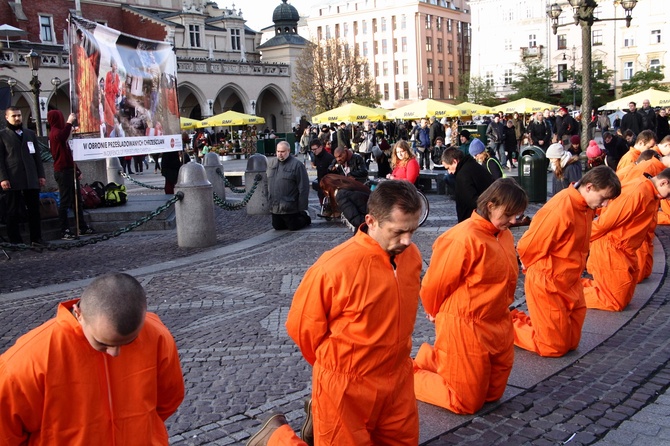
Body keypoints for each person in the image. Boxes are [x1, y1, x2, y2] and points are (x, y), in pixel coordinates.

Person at [247, 180, 424, 446]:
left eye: (412, 230)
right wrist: (335, 369)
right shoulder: (335, 267)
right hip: (346, 385)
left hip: (397, 378)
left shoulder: (411, 256)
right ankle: (277, 438)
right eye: (398, 231)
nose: (407, 240)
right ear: (371, 221)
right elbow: (302, 328)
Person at [0, 272, 185, 444]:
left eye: (129, 342)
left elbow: (169, 397)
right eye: (103, 343)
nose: (115, 353)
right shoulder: (27, 361)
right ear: (79, 314)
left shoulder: (157, 336)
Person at [413, 178, 528, 414]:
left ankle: (437, 360)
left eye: (516, 215)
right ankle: (409, 375)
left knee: (493, 392)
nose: (513, 221)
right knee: (465, 401)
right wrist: (434, 310)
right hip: (466, 322)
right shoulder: (463, 237)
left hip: (496, 319)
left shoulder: (502, 234)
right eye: (509, 214)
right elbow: (435, 282)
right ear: (491, 205)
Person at [512, 166, 622, 357]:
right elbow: (528, 245)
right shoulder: (562, 207)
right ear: (589, 187)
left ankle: (537, 325)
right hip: (549, 279)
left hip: (568, 279)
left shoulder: (584, 206)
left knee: (570, 342)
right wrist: (531, 268)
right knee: (553, 346)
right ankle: (506, 324)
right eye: (603, 198)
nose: (604, 205)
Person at [583, 168, 670, 311]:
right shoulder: (637, 192)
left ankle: (569, 289)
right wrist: (580, 240)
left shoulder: (647, 192)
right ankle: (564, 294)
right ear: (664, 183)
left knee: (622, 295)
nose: (668, 199)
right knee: (615, 301)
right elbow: (604, 223)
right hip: (611, 247)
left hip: (623, 249)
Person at [0, 106, 46, 246]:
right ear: (7, 117)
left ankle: (36, 238)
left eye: (19, 115)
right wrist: (3, 178)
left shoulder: (30, 133)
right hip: (13, 177)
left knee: (34, 210)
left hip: (31, 177)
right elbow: (0, 159)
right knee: (12, 210)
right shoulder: (2, 135)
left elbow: (37, 157)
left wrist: (41, 175)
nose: (17, 118)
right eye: (14, 116)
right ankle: (15, 240)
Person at [47, 110, 95, 240]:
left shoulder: (58, 133)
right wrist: (69, 122)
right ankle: (65, 230)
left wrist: (77, 170)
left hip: (69, 170)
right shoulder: (55, 133)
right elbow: (62, 136)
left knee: (77, 200)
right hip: (63, 172)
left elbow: (68, 156)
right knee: (65, 201)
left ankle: (82, 226)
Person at [267, 141, 311, 231]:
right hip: (275, 205)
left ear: (288, 151)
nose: (280, 154)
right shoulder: (271, 164)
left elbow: (303, 187)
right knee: (277, 227)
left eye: (282, 152)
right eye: (278, 151)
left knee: (293, 227)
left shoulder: (297, 165)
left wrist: (302, 208)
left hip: (290, 206)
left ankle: (305, 218)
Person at [441, 147, 494, 222]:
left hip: (473, 221)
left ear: (455, 161)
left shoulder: (462, 175)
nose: (449, 172)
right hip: (488, 215)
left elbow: (471, 202)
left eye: (448, 168)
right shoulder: (474, 165)